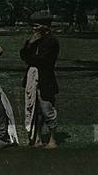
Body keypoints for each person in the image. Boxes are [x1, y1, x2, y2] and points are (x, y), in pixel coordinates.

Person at [21, 10, 59, 148]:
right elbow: (23, 54)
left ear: (45, 26)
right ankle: (37, 138)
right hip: (32, 78)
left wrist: (29, 58)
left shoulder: (52, 41)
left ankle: (52, 139)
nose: (34, 29)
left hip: (45, 80)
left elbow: (42, 60)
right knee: (35, 110)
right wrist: (31, 43)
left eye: (37, 26)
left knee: (47, 110)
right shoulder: (33, 40)